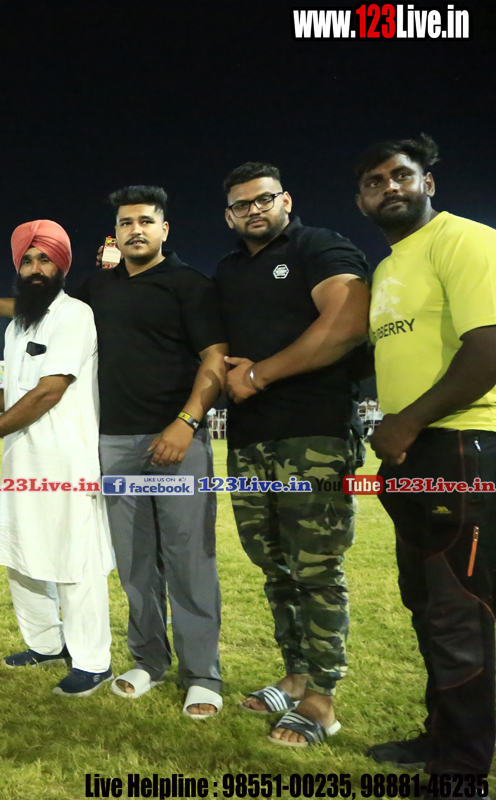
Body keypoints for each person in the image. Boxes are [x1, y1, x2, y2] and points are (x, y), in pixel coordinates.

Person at [0, 187, 228, 717]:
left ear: (163, 229)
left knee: (188, 561)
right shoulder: (98, 289)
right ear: (115, 232)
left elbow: (215, 358)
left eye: (145, 221)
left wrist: (186, 423)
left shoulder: (190, 284)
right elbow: (36, 301)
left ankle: (203, 676)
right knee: (136, 566)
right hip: (112, 443)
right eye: (126, 222)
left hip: (176, 439)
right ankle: (148, 662)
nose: (136, 230)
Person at [215, 162, 370, 747]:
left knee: (316, 570)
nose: (254, 210)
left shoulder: (318, 246)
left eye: (263, 199)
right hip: (250, 438)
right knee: (274, 567)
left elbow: (348, 322)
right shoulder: (229, 269)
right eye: (241, 205)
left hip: (314, 435)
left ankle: (322, 699)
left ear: (285, 200)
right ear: (228, 216)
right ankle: (296, 675)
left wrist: (260, 374)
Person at [356, 134, 496, 776]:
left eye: (401, 175)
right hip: (413, 453)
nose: (389, 187)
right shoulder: (388, 267)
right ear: (361, 200)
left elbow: (488, 347)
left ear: (428, 183)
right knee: (427, 604)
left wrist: (407, 422)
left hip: (460, 445)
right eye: (374, 182)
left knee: (459, 608)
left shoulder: (464, 240)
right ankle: (442, 737)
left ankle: (463, 768)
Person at [0, 220, 116, 696]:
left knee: (74, 559)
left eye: (46, 260)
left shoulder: (74, 315)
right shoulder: (19, 325)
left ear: (62, 266)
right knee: (22, 553)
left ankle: (93, 661)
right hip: (23, 459)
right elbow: (16, 398)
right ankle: (45, 644)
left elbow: (48, 392)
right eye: (28, 261)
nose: (36, 269)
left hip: (67, 462)